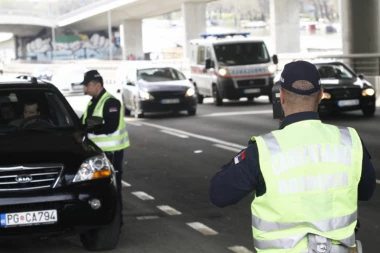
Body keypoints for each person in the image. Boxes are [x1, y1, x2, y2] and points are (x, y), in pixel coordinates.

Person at [209, 61, 375, 253]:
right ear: (320, 95)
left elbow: (219, 194)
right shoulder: (349, 140)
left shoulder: (264, 150)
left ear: (282, 96)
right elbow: (365, 192)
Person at [80, 70, 130, 226]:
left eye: (87, 85)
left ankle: (116, 222)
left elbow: (110, 127)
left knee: (113, 188)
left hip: (112, 153)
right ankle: (103, 219)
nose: (85, 89)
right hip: (97, 154)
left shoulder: (110, 102)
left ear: (98, 85)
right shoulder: (92, 102)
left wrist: (90, 130)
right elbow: (82, 123)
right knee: (98, 188)